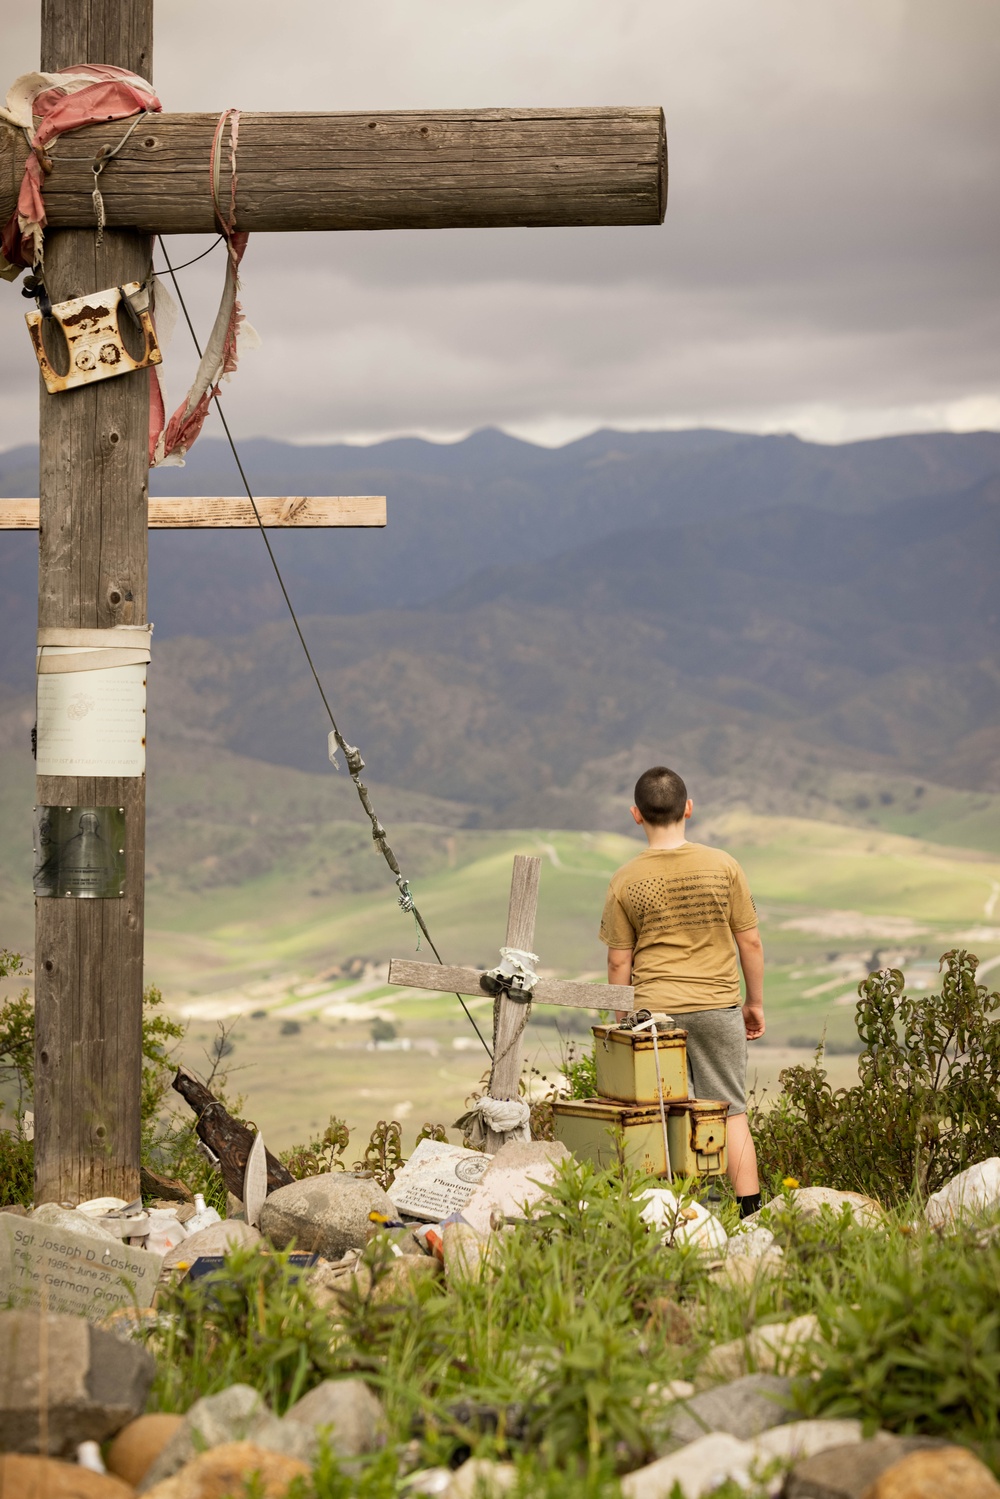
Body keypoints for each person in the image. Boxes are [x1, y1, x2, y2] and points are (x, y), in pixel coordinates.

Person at [598, 765, 765, 1217]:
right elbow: (748, 939)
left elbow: (619, 960)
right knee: (730, 1112)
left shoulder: (625, 879)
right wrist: (754, 1003)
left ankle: (691, 1216)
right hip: (717, 1004)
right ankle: (750, 1215)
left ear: (637, 815)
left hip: (654, 1015)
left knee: (669, 1116)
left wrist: (621, 1021)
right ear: (688, 807)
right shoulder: (724, 865)